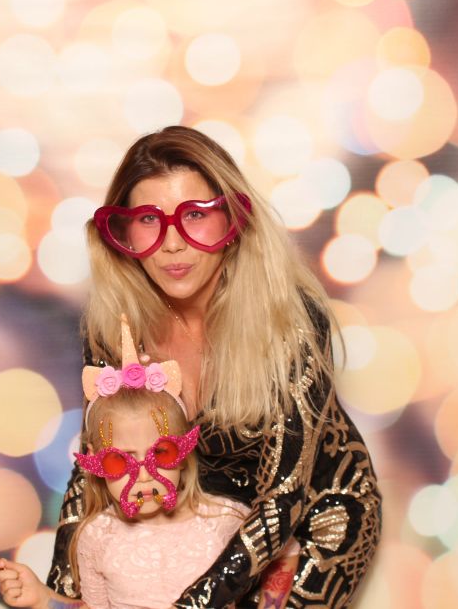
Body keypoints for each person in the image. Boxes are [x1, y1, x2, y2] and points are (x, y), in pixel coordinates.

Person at [47, 125, 382, 608]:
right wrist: (60, 593)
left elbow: (285, 495)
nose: (172, 243)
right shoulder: (114, 328)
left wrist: (192, 604)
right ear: (121, 232)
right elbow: (95, 461)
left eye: (195, 215)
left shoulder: (290, 320)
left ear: (233, 220)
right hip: (195, 518)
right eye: (148, 219)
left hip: (308, 516)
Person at [0, 317, 295, 608]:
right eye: (119, 461)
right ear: (96, 462)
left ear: (183, 451)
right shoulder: (97, 535)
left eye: (160, 454)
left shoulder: (225, 519)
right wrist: (43, 599)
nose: (144, 476)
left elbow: (285, 548)